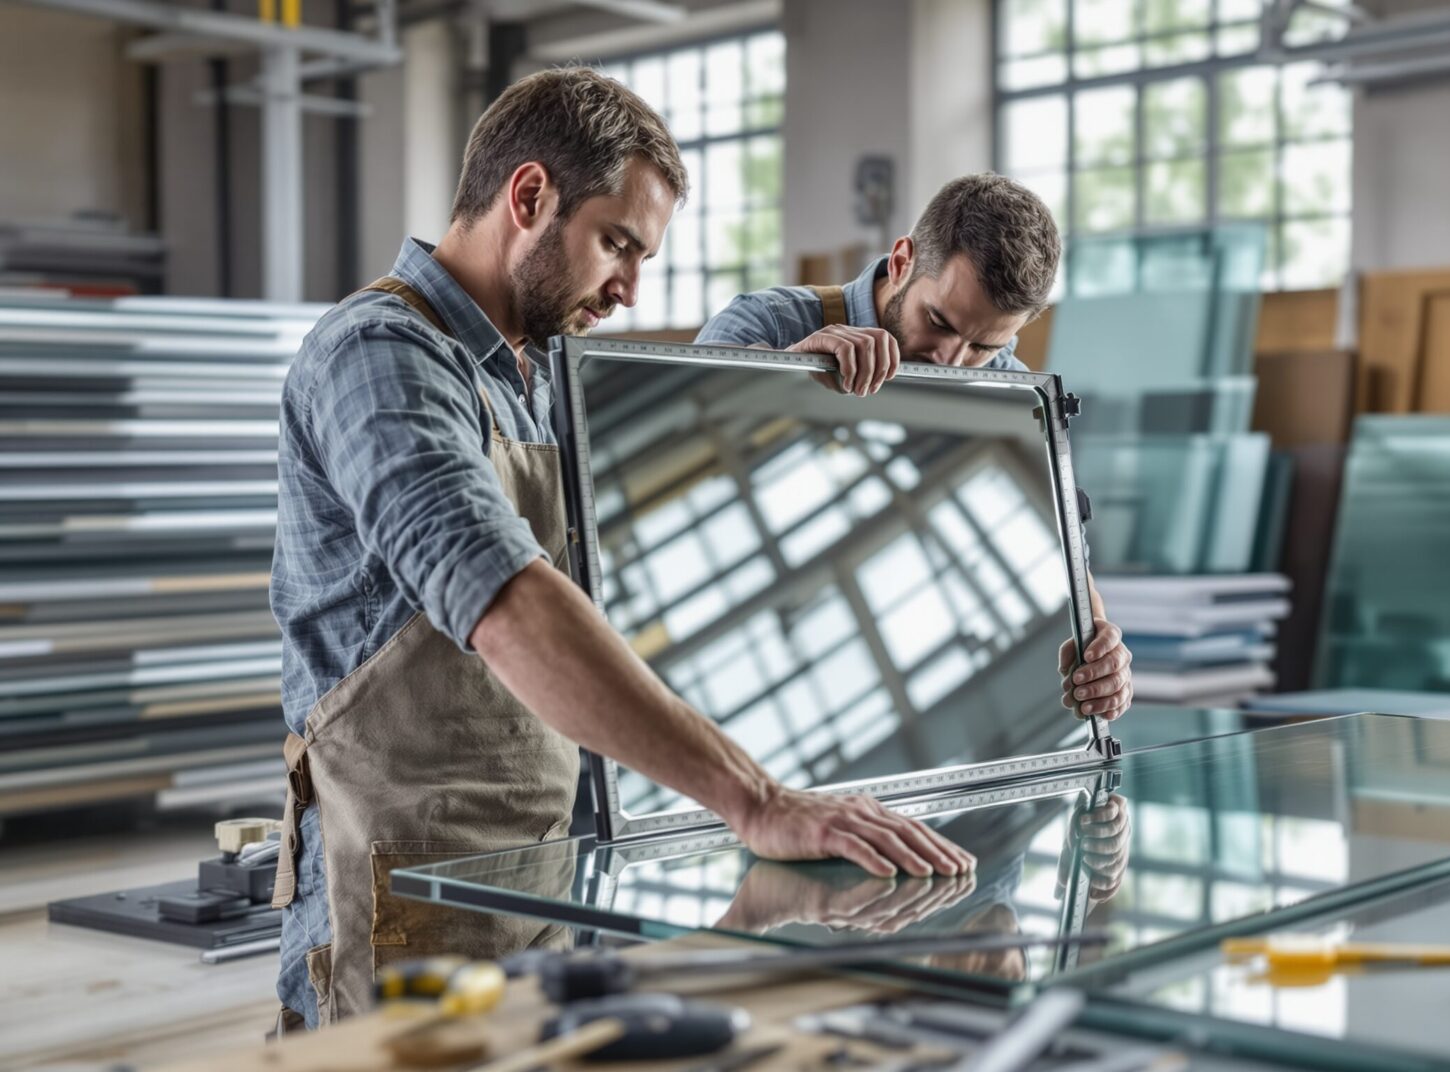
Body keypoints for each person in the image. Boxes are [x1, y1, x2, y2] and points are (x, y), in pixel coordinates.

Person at [267, 67, 972, 1031]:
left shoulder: (535, 372)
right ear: (528, 197)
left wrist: (763, 392)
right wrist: (754, 801)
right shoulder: (380, 355)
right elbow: (504, 599)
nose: (633, 288)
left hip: (538, 885)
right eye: (619, 243)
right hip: (400, 905)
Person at [696, 173, 1135, 723]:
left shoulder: (1014, 396)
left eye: (983, 345)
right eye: (940, 322)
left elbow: (1062, 554)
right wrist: (788, 371)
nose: (952, 360)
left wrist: (1100, 651)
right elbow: (694, 468)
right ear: (902, 260)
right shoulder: (766, 323)